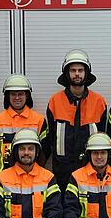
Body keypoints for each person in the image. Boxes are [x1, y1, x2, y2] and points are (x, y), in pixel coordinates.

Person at [46, 50, 107, 191]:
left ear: (87, 73)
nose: (77, 74)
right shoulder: (55, 101)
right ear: (67, 74)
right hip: (62, 172)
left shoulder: (99, 102)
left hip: (90, 170)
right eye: (73, 70)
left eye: (81, 70)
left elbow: (103, 136)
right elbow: (51, 139)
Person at [0, 75, 51, 177]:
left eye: (20, 94)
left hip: (32, 176)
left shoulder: (39, 120)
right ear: (7, 96)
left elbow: (45, 149)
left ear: (27, 96)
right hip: (2, 177)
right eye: (13, 94)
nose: (17, 98)